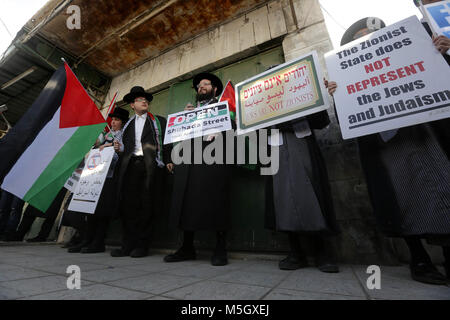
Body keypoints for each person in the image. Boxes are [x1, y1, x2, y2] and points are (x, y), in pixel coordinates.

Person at [325, 12, 450, 285]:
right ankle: (419, 258)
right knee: (404, 200)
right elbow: (350, 116)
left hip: (425, 135)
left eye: (373, 36)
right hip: (386, 145)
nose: (368, 41)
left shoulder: (418, 51)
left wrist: (442, 55)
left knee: (444, 189)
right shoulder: (347, 75)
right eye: (360, 40)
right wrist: (338, 94)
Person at [263, 67, 339, 273]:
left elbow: (322, 121)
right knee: (282, 198)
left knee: (311, 192)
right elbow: (254, 129)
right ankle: (296, 252)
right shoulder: (261, 103)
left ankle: (322, 251)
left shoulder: (303, 92)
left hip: (301, 143)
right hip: (275, 149)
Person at [164, 72, 233, 266]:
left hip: (215, 159)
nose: (201, 87)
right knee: (186, 201)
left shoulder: (223, 108)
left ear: (215, 89)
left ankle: (220, 248)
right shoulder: (190, 111)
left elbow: (233, 129)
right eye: (198, 85)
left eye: (205, 84)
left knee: (217, 200)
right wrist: (187, 118)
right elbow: (176, 136)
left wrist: (220, 128)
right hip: (189, 161)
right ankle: (187, 247)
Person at [112, 86, 172, 258]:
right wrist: (119, 148)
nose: (144, 101)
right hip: (130, 166)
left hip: (150, 167)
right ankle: (127, 244)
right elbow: (124, 147)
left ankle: (142, 245)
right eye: (139, 100)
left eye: (145, 99)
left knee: (147, 205)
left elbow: (167, 143)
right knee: (128, 205)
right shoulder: (127, 125)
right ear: (132, 105)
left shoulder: (159, 121)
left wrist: (168, 160)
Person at [67, 107, 129, 253]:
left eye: (117, 120)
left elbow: (120, 154)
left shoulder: (124, 135)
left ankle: (98, 242)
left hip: (110, 178)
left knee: (102, 212)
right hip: (95, 177)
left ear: (123, 122)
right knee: (90, 210)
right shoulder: (106, 134)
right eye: (112, 119)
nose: (113, 122)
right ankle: (86, 240)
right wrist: (99, 146)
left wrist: (111, 149)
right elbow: (93, 148)